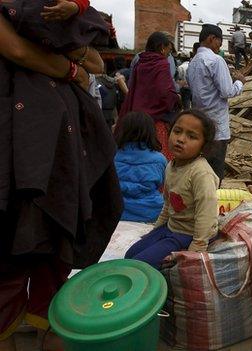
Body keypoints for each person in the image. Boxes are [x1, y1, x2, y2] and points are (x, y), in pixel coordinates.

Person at [0, 8, 122, 351]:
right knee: (25, 254)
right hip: (31, 152)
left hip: (58, 154)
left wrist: (72, 51)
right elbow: (17, 49)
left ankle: (45, 326)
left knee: (44, 249)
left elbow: (95, 63)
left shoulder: (55, 14)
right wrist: (70, 67)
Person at [125, 110, 219, 268]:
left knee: (139, 265)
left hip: (188, 235)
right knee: (129, 255)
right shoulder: (171, 166)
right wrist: (154, 232)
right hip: (170, 228)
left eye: (192, 136)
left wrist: (196, 249)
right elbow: (168, 205)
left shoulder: (201, 173)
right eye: (177, 131)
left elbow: (207, 215)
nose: (181, 139)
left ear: (204, 145)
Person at [187, 24, 245, 182]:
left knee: (201, 171)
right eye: (220, 41)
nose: (220, 46)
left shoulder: (192, 64)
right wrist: (240, 82)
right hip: (217, 128)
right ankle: (213, 204)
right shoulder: (215, 60)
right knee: (215, 173)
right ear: (211, 38)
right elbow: (227, 91)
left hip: (200, 125)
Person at [118, 31, 181, 161]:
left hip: (136, 118)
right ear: (162, 48)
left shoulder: (140, 63)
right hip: (155, 121)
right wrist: (176, 99)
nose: (168, 54)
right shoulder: (162, 64)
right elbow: (166, 93)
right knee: (159, 157)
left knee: (136, 156)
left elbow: (133, 88)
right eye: (169, 51)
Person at [114, 111, 167, 223]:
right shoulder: (159, 159)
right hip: (151, 212)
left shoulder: (112, 156)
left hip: (117, 210)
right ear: (151, 132)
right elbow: (164, 186)